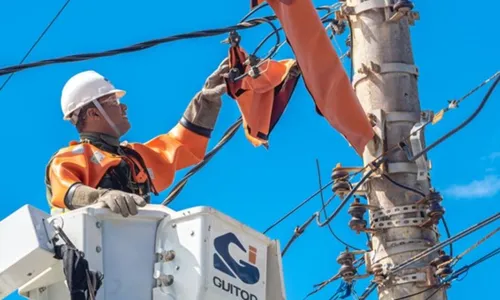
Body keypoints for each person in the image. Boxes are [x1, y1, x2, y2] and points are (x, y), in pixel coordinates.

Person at [45, 58, 229, 217]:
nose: (123, 107)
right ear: (93, 113)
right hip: (88, 251)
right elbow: (67, 190)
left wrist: (206, 100)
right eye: (114, 102)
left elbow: (181, 143)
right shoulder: (71, 157)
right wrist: (101, 197)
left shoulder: (134, 156)